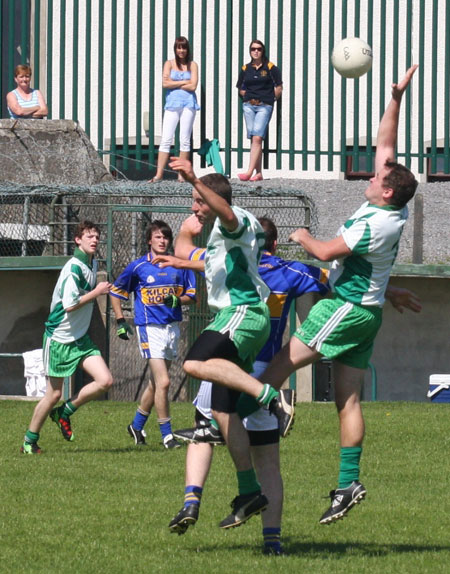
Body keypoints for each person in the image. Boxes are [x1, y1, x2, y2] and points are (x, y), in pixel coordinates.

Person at [246, 65, 421, 525]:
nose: (372, 173)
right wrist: (396, 98)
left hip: (342, 307)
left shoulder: (372, 222)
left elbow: (326, 252)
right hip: (365, 313)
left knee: (280, 363)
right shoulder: (390, 206)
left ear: (386, 191)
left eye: (378, 177)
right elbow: (387, 143)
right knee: (347, 401)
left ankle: (255, 413)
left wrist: (301, 236)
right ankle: (348, 484)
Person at [166, 217, 329, 554]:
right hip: (265, 368)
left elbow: (194, 256)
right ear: (273, 245)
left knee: (204, 431)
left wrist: (181, 250)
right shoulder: (290, 271)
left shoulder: (234, 263)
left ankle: (191, 500)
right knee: (268, 459)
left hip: (228, 364)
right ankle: (272, 542)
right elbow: (328, 279)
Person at [162, 159, 295, 531]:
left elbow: (225, 212)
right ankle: (249, 490)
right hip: (246, 320)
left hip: (242, 313)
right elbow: (193, 253)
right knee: (222, 411)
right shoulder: (226, 241)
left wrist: (193, 178)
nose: (194, 206)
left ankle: (271, 397)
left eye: (197, 201)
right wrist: (184, 238)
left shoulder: (231, 220)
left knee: (192, 364)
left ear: (214, 199)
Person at [20, 221, 113, 454]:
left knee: (105, 381)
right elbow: (70, 306)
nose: (94, 240)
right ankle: (29, 441)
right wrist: (97, 292)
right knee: (53, 394)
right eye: (89, 236)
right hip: (59, 339)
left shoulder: (91, 263)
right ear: (77, 240)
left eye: (96, 237)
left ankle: (65, 412)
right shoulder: (73, 268)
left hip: (80, 339)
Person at [110, 220, 196, 449]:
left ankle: (136, 426)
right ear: (149, 240)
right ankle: (167, 435)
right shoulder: (139, 267)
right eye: (158, 237)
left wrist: (179, 300)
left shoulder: (179, 266)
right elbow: (116, 291)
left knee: (155, 383)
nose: (162, 241)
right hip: (149, 328)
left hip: (172, 329)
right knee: (165, 382)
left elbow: (191, 295)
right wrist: (120, 320)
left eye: (166, 237)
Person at [150, 37, 200, 183]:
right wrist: (185, 81)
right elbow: (165, 83)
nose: (181, 51)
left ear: (187, 49)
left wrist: (175, 83)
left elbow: (193, 86)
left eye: (183, 48)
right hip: (172, 104)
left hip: (188, 104)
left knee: (184, 140)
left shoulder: (193, 65)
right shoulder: (169, 63)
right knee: (166, 138)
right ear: (175, 49)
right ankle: (159, 174)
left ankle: (181, 175)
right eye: (178, 48)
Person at [236, 39, 282, 182]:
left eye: (259, 49)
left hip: (264, 105)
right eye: (253, 49)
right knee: (254, 137)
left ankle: (249, 172)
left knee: (257, 137)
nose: (256, 51)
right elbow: (240, 88)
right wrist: (249, 97)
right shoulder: (245, 69)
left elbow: (278, 88)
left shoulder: (271, 68)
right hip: (249, 105)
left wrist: (268, 99)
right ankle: (259, 173)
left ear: (263, 51)